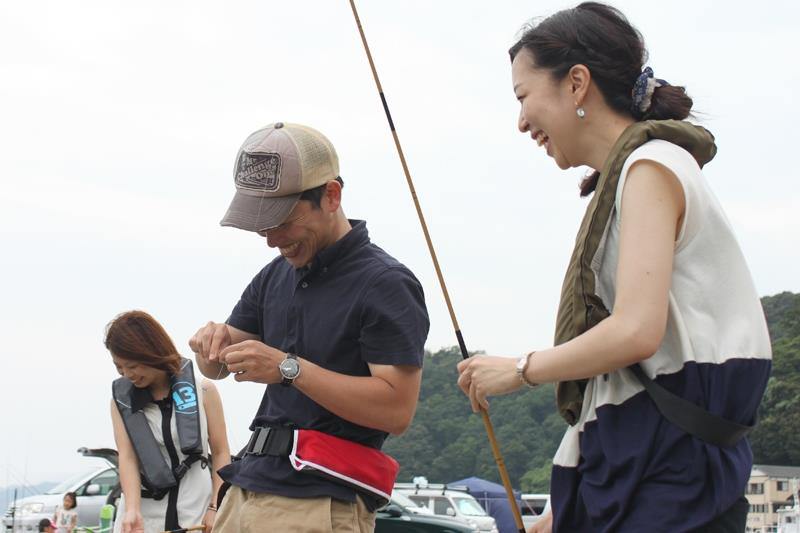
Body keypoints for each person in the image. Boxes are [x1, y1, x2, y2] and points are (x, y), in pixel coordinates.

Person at [456, 3, 771, 532]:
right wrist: (560, 512)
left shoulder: (649, 168)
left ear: (576, 83)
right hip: (651, 472)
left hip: (670, 481)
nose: (520, 121)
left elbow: (636, 333)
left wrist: (519, 369)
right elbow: (628, 377)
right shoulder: (635, 173)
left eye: (523, 97)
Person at [189, 121, 429, 532]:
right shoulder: (274, 276)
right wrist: (208, 349)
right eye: (262, 225)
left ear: (331, 196)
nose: (271, 239)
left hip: (320, 497)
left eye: (282, 220)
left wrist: (288, 368)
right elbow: (221, 365)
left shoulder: (386, 283)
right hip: (246, 487)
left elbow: (396, 410)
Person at [106, 310, 231, 533]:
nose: (127, 374)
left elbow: (221, 452)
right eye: (119, 367)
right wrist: (132, 510)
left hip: (195, 513)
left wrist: (216, 506)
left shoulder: (204, 390)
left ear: (151, 353)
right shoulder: (121, 403)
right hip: (143, 519)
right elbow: (127, 457)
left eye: (132, 366)